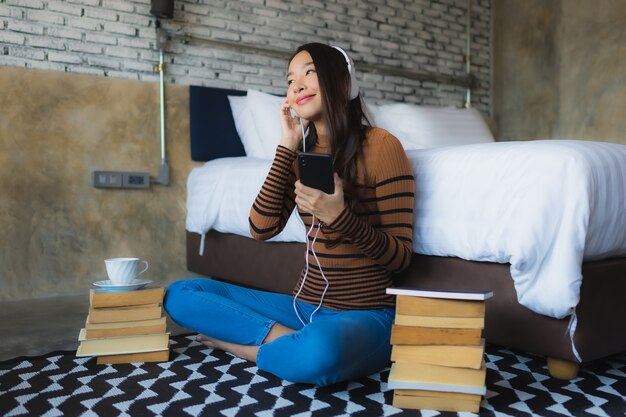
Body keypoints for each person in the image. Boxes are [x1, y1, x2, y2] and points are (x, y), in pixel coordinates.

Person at [164, 43, 415, 386]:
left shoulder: (383, 146)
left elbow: (400, 258)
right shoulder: (301, 156)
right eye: (290, 79)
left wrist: (340, 217)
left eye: (309, 72)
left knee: (319, 353)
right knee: (179, 295)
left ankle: (245, 348)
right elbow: (261, 228)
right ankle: (285, 342)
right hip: (301, 308)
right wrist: (286, 146)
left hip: (366, 314)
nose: (297, 85)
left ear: (342, 83)